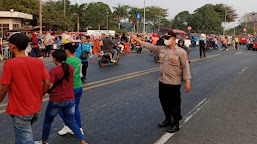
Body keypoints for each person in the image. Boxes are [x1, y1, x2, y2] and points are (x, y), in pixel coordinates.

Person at [131, 30, 191, 133]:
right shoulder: (162, 49)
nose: (165, 40)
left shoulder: (181, 52)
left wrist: (187, 81)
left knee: (174, 104)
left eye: (167, 38)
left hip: (174, 82)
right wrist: (136, 39)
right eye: (165, 38)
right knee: (163, 101)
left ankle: (175, 123)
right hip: (162, 81)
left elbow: (186, 67)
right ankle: (168, 119)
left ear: (173, 39)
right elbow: (148, 46)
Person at [0, 33, 50, 143]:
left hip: (21, 111)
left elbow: (4, 88)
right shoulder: (38, 61)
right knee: (21, 138)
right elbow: (47, 83)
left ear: (12, 46)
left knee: (25, 140)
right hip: (35, 109)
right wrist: (39, 95)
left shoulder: (10, 63)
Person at [36, 49, 86, 144]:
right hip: (70, 99)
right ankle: (82, 141)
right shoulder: (70, 68)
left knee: (48, 121)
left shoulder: (54, 71)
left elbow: (49, 85)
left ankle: (44, 142)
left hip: (57, 100)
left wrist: (42, 92)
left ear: (55, 59)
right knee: (71, 122)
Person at [58, 43, 84, 136]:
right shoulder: (78, 60)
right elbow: (80, 74)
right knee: (75, 108)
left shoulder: (65, 62)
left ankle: (68, 125)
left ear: (67, 51)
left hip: (68, 89)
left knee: (60, 108)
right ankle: (79, 128)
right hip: (78, 86)